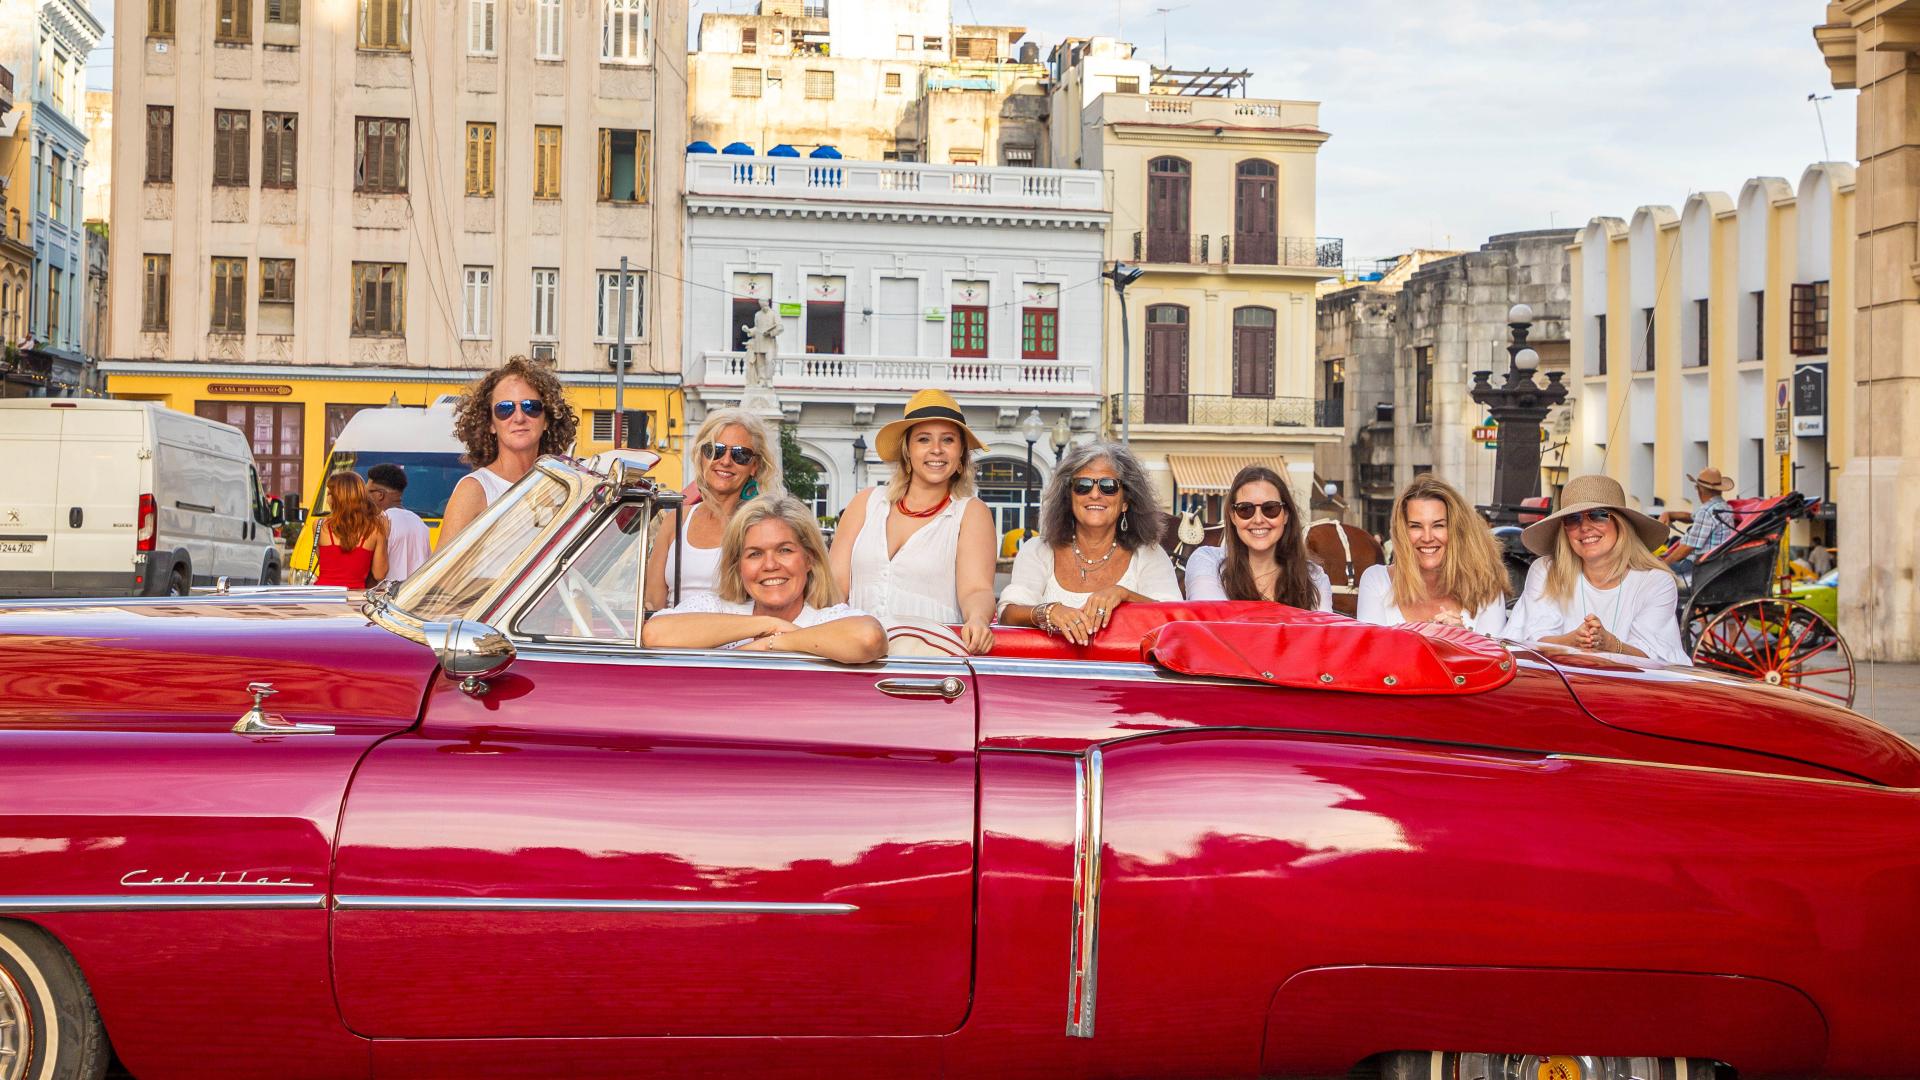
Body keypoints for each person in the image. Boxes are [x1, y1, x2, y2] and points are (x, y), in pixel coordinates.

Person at [828, 389, 997, 654]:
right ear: (907, 450)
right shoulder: (866, 503)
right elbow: (834, 586)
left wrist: (977, 618)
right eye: (924, 439)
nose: (937, 450)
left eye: (948, 440)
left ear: (961, 453)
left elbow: (976, 589)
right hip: (856, 658)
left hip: (929, 663)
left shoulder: (970, 513)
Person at [643, 496, 886, 664]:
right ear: (738, 566)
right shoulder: (717, 607)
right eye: (755, 554)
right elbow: (655, 634)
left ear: (809, 559)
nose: (770, 565)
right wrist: (769, 624)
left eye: (785, 550)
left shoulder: (824, 618)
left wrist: (770, 644)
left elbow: (868, 638)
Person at [998, 441, 1181, 645]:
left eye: (1108, 486)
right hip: (1049, 674)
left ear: (1125, 502)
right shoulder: (1038, 550)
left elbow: (1174, 620)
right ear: (1069, 498)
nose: (1095, 494)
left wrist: (1124, 595)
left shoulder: (1148, 555)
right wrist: (1049, 612)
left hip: (1124, 675)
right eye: (1083, 486)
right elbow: (1008, 614)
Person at [1508, 473, 1691, 665]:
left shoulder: (1656, 581)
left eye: (1598, 515)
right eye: (1573, 519)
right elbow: (1532, 643)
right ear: (1564, 530)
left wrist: (1611, 644)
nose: (1585, 527)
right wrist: (1574, 640)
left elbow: (1656, 658)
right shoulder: (1546, 571)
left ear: (1621, 524)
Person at [644, 408, 782, 610]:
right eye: (715, 450)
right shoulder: (676, 520)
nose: (725, 461)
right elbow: (652, 603)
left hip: (738, 638)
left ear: (754, 466)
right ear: (702, 456)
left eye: (740, 455)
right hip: (672, 638)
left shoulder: (760, 526)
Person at [438, 355, 579, 546]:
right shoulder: (476, 490)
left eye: (531, 407)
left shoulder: (565, 487)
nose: (519, 417)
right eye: (505, 409)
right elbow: (443, 574)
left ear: (547, 419)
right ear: (490, 424)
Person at [1354, 474, 1508, 634]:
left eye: (1438, 525)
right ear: (1402, 532)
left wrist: (1462, 640)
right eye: (1415, 526)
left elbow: (1494, 657)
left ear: (1457, 530)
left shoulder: (1487, 587)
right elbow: (1372, 654)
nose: (1427, 538)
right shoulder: (1376, 581)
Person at [1183, 465, 1332, 610]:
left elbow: (1325, 632)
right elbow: (1215, 620)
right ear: (1233, 517)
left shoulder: (1314, 577)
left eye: (1270, 508)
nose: (1258, 519)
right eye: (1245, 509)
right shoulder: (1208, 563)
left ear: (1286, 515)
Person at [313, 471, 389, 589]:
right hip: (354, 598)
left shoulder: (319, 525)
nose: (327, 499)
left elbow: (324, 560)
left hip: (322, 596)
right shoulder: (375, 529)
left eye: (329, 494)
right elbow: (379, 574)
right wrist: (384, 537)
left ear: (339, 497)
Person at [1660, 466, 1736, 580]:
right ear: (1720, 489)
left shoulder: (1706, 512)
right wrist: (1669, 514)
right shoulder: (1723, 506)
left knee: (1650, 568)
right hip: (1718, 562)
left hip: (1701, 565)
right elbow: (1691, 517)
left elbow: (1686, 548)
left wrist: (1662, 566)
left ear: (1699, 490)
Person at [365, 463, 431, 582]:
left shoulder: (381, 522)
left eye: (368, 492)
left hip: (385, 597)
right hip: (414, 595)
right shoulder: (419, 522)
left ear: (380, 495)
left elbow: (373, 573)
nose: (364, 498)